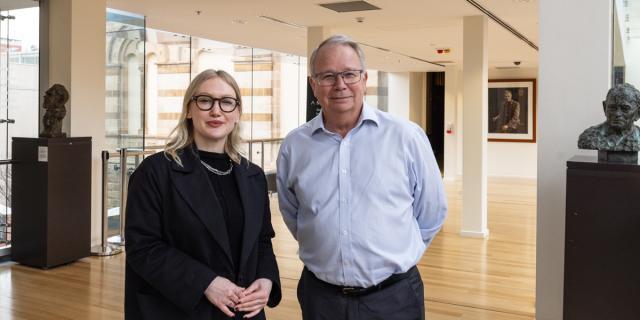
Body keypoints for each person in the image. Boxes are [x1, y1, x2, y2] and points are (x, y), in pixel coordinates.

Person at [276, 35, 447, 320]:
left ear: (364, 78)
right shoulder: (295, 145)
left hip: (394, 298)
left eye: (349, 74)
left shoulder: (405, 136)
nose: (340, 84)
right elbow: (294, 214)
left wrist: (398, 256)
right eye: (328, 76)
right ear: (313, 85)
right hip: (321, 299)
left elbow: (431, 212)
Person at [125, 69, 281, 320]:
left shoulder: (253, 176)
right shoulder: (155, 172)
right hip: (179, 309)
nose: (216, 111)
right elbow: (143, 248)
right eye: (205, 100)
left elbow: (262, 241)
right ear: (189, 110)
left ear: (237, 113)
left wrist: (266, 279)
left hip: (243, 311)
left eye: (227, 102)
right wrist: (206, 283)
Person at [578, 83, 640, 151]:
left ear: (638, 113)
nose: (617, 114)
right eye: (612, 108)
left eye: (625, 108)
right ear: (605, 108)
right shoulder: (589, 137)